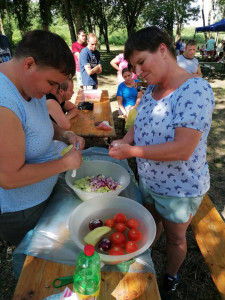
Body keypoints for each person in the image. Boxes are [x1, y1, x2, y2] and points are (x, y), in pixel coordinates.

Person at [109, 26, 214, 299]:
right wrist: (126, 140)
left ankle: (171, 277)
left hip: (180, 188)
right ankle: (144, 260)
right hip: (150, 179)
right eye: (134, 66)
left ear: (163, 49)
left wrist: (131, 153)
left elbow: (183, 148)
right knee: (149, 224)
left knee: (176, 237)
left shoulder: (195, 90)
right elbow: (139, 124)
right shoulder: (153, 88)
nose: (138, 71)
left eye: (141, 62)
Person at [0, 30, 85, 247]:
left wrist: (65, 134)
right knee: (35, 271)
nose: (54, 91)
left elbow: (41, 124)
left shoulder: (29, 85)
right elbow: (8, 178)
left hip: (44, 197)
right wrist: (64, 163)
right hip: (23, 211)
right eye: (52, 83)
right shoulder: (4, 104)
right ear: (29, 64)